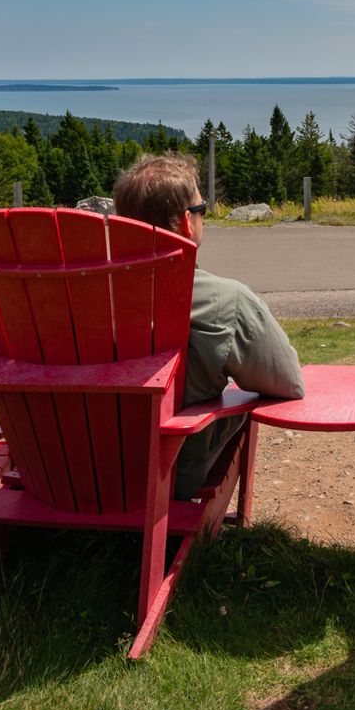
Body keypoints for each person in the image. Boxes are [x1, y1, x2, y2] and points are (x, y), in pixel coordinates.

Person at [111, 152, 305, 498]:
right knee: (238, 404)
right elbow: (288, 381)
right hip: (169, 479)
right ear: (187, 222)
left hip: (66, 472)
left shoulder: (71, 296)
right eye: (202, 210)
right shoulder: (224, 300)